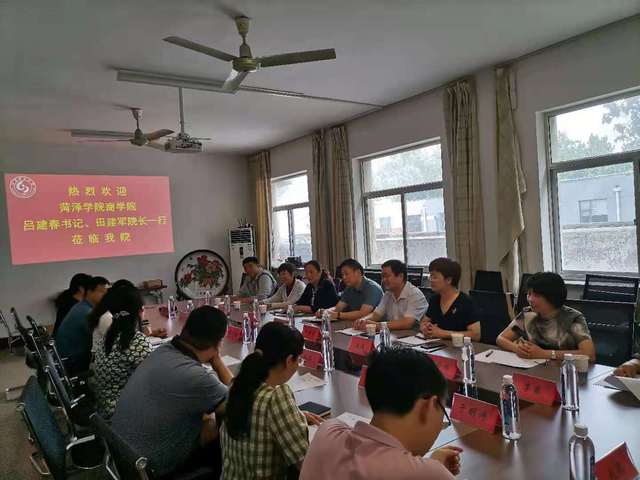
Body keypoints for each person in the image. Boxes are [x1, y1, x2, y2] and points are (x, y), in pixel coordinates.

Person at [300, 346, 462, 480]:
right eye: (443, 413)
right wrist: (430, 468)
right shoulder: (430, 475)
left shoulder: (328, 431)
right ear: (428, 406)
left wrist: (427, 466)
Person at [111, 306, 233, 478]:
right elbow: (241, 400)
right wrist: (218, 362)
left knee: (208, 417)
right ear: (219, 342)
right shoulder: (195, 376)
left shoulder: (163, 351)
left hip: (124, 456)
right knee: (222, 425)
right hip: (149, 468)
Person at [221, 322, 323, 479]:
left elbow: (257, 415)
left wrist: (294, 416)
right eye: (299, 360)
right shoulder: (276, 399)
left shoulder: (238, 385)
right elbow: (306, 465)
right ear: (289, 360)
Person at [496, 272, 596, 361]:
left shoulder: (573, 318)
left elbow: (589, 355)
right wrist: (517, 348)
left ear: (552, 297)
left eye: (536, 295)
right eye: (529, 294)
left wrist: (544, 354)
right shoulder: (528, 314)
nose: (530, 299)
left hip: (564, 369)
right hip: (534, 368)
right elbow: (501, 339)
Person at [93, 287, 151, 419]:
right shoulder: (136, 341)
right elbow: (156, 379)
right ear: (140, 311)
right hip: (125, 414)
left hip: (106, 409)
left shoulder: (109, 336)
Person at [88, 279, 166, 348]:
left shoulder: (112, 314)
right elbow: (121, 345)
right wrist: (144, 337)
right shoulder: (108, 317)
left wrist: (150, 334)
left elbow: (123, 339)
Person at [55, 276, 109, 374]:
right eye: (101, 292)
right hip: (73, 361)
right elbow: (100, 338)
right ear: (89, 292)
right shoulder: (86, 312)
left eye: (107, 293)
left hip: (66, 357)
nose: (105, 296)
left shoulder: (81, 305)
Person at [354, 259, 428, 331]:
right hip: (395, 334)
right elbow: (376, 314)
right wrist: (363, 320)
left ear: (400, 276)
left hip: (413, 335)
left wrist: (378, 326)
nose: (384, 280)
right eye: (382, 277)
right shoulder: (388, 293)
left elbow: (407, 323)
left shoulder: (414, 294)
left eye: (387, 276)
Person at [419, 258, 481, 341]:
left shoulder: (466, 302)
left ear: (448, 280)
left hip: (460, 346)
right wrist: (425, 327)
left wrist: (443, 333)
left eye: (435, 277)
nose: (431, 280)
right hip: (437, 345)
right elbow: (424, 322)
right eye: (431, 276)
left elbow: (475, 335)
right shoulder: (434, 299)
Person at [316, 258, 383, 321]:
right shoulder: (349, 288)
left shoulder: (372, 288)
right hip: (354, 323)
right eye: (342, 275)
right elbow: (338, 308)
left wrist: (338, 315)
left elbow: (363, 314)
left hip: (374, 326)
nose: (344, 277)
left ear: (358, 272)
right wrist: (325, 311)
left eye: (346, 274)